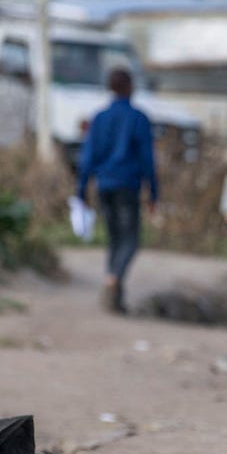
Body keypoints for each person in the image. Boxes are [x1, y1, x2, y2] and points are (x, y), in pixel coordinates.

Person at [76, 66, 158, 314]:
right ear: (130, 87)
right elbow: (147, 160)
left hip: (103, 186)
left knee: (114, 240)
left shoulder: (99, 118)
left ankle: (116, 301)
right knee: (130, 241)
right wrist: (153, 192)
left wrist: (81, 190)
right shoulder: (138, 118)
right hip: (127, 186)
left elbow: (87, 157)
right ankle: (113, 279)